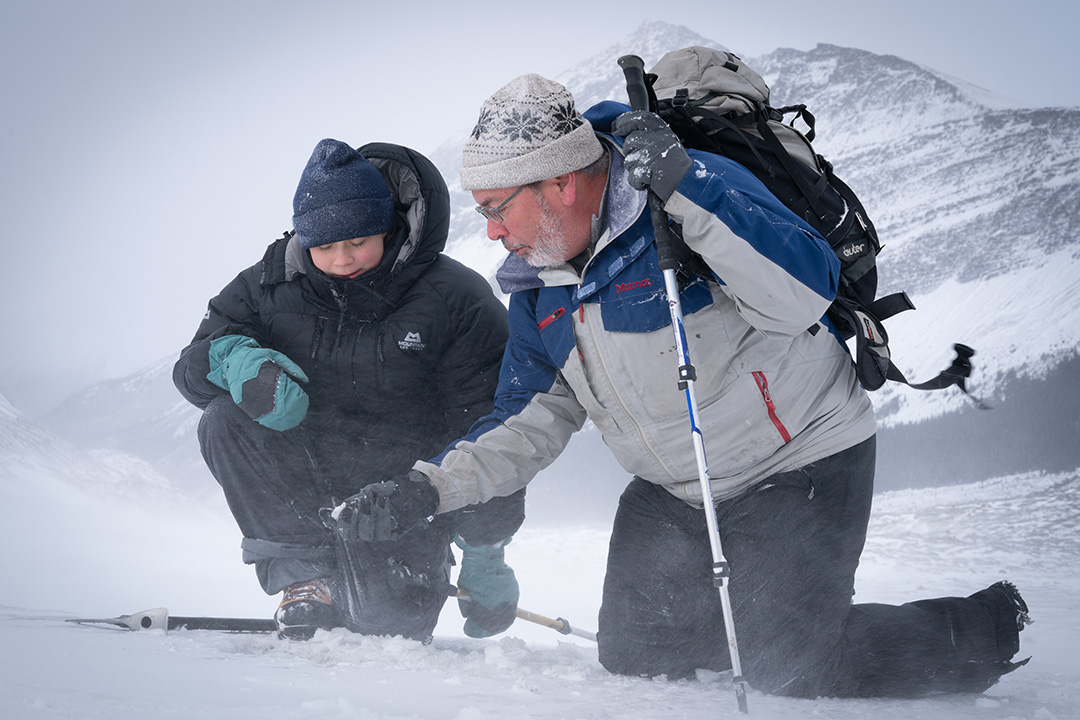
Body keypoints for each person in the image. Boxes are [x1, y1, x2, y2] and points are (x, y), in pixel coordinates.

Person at [330, 74, 1034, 697]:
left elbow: (801, 297)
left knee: (791, 671)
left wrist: (687, 187)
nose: (490, 232)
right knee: (639, 657)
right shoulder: (537, 287)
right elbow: (527, 419)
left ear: (559, 184)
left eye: (496, 207)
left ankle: (979, 626)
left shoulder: (683, 200)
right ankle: (758, 617)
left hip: (799, 465)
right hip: (677, 490)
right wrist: (427, 488)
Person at [173, 138, 524, 641]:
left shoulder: (455, 299)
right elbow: (191, 369)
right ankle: (304, 580)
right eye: (324, 246)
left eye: (358, 242)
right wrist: (231, 359)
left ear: (387, 226)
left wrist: (487, 548)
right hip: (304, 485)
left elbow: (491, 425)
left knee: (385, 633)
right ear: (303, 237)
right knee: (224, 418)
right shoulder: (266, 287)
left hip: (403, 500)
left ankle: (379, 590)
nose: (341, 260)